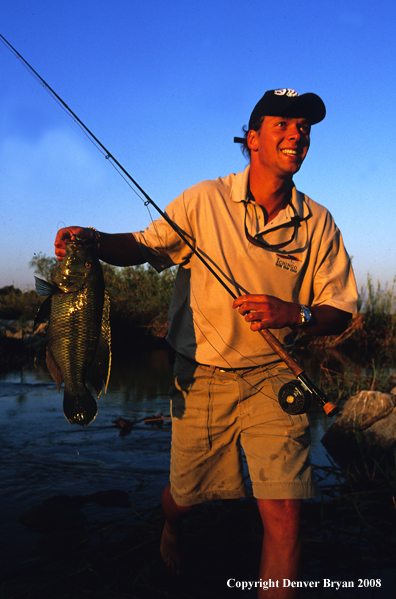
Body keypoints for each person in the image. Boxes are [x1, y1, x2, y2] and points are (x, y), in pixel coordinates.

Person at [55, 88, 358, 598]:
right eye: (282, 123)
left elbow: (341, 310)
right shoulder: (204, 199)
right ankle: (171, 525)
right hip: (201, 373)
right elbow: (143, 245)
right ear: (253, 138)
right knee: (188, 497)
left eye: (304, 127)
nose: (296, 133)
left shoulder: (319, 222)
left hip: (276, 378)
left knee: (285, 517)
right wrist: (93, 240)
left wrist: (295, 313)